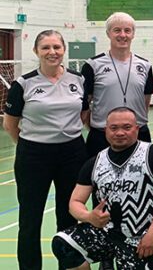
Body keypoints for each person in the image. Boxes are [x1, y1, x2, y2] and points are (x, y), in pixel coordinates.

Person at [51, 107, 153, 270]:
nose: (120, 133)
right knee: (63, 243)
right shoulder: (95, 162)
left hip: (143, 236)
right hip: (107, 233)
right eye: (114, 128)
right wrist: (89, 216)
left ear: (137, 129)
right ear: (105, 130)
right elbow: (75, 201)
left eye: (127, 127)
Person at [4, 30, 88, 270]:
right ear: (36, 52)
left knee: (69, 216)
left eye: (57, 47)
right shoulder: (24, 84)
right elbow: (10, 124)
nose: (52, 52)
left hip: (72, 154)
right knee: (30, 219)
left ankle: (68, 265)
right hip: (33, 156)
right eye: (46, 48)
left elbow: (83, 114)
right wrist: (32, 146)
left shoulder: (78, 79)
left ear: (63, 50)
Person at [82, 12, 153, 158]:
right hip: (102, 136)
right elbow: (85, 103)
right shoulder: (92, 65)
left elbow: (145, 101)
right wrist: (99, 126)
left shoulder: (145, 65)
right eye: (117, 30)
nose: (123, 35)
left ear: (133, 34)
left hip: (138, 135)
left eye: (127, 30)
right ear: (108, 33)